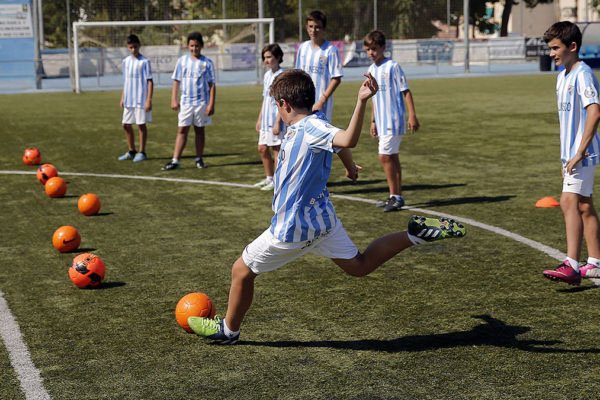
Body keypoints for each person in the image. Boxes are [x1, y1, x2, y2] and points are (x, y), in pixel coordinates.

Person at [187, 70, 466, 344]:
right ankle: (414, 234)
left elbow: (346, 140)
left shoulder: (310, 128)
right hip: (323, 222)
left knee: (242, 269)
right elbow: (338, 144)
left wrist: (361, 101)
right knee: (359, 265)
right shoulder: (315, 121)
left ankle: (229, 330)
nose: (277, 111)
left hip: (294, 228)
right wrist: (348, 166)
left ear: (285, 105)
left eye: (277, 106)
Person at [542, 21, 600, 285]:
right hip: (572, 156)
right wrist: (567, 157)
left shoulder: (583, 73)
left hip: (583, 155)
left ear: (572, 46)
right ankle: (595, 264)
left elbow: (595, 111)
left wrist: (579, 152)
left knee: (568, 202)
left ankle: (572, 265)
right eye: (550, 48)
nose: (551, 53)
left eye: (556, 48)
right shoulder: (562, 75)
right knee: (584, 206)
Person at [364, 30, 419, 213]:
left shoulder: (393, 66)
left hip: (394, 119)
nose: (371, 52)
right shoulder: (372, 70)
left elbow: (406, 91)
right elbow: (373, 97)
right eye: (368, 49)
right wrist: (373, 121)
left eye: (375, 48)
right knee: (392, 157)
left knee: (384, 156)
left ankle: (395, 196)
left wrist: (412, 115)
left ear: (383, 48)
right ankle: (396, 196)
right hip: (381, 120)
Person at [162, 31, 215, 170]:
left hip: (201, 103)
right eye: (191, 46)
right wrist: (173, 99)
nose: (194, 48)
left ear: (201, 46)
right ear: (187, 46)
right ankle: (175, 160)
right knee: (182, 130)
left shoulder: (207, 63)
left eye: (197, 46)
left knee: (199, 131)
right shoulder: (182, 61)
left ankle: (199, 159)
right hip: (185, 103)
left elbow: (212, 84)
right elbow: (176, 81)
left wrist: (211, 104)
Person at [294, 10, 342, 122]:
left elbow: (336, 78)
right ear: (306, 27)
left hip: (321, 104)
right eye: (310, 26)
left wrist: (322, 100)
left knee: (320, 137)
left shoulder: (331, 50)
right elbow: (297, 75)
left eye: (317, 27)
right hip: (302, 102)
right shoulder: (303, 48)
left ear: (324, 29)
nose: (313, 30)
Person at [253, 44, 285, 191]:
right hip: (265, 120)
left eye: (269, 57)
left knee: (276, 150)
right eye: (264, 58)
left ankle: (277, 182)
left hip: (275, 119)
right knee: (262, 148)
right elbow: (265, 99)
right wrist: (259, 119)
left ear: (278, 58)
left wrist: (278, 121)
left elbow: (282, 101)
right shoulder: (267, 75)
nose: (266, 60)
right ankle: (269, 177)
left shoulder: (282, 75)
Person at [119, 34, 153, 162]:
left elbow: (150, 81)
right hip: (129, 99)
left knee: (141, 125)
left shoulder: (145, 62)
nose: (133, 50)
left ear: (139, 46)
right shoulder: (125, 62)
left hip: (140, 99)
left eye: (135, 47)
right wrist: (122, 97)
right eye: (131, 47)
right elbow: (125, 81)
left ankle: (142, 152)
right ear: (128, 47)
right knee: (125, 125)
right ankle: (131, 150)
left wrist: (148, 100)